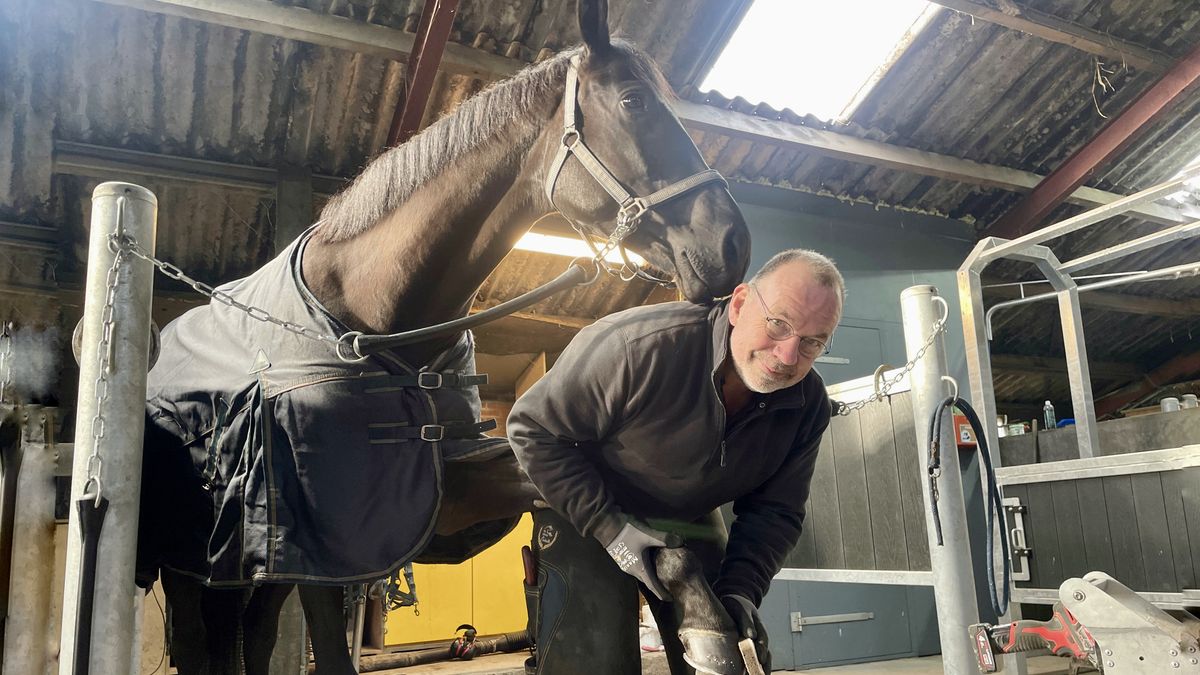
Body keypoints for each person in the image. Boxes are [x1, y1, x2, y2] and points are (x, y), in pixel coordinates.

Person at [507, 248, 844, 675]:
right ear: (739, 305)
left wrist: (740, 592)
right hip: (585, 506)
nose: (788, 356)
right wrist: (611, 530)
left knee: (730, 656)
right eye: (779, 324)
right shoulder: (636, 348)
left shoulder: (807, 404)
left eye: (813, 341)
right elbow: (531, 429)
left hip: (688, 514)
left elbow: (775, 512)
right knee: (597, 662)